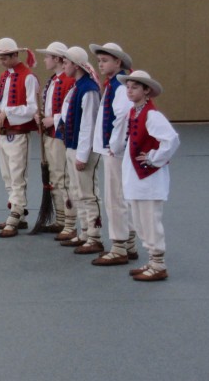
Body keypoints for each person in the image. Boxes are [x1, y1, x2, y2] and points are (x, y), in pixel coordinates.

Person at [109, 71, 180, 282]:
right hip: (136, 177)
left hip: (149, 178)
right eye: (128, 87)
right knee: (140, 222)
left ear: (146, 90)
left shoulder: (152, 115)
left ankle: (159, 264)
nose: (129, 91)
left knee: (150, 220)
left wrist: (153, 158)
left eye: (135, 87)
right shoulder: (135, 112)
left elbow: (171, 140)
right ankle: (152, 259)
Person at [88, 43, 138, 267]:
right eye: (99, 61)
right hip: (114, 148)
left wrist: (114, 145)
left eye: (105, 60)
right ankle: (128, 243)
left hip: (117, 150)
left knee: (115, 198)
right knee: (120, 196)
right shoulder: (113, 85)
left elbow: (123, 118)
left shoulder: (121, 87)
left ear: (118, 62)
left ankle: (119, 246)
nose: (100, 64)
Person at [0, 38, 39, 238]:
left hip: (18, 133)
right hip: (3, 133)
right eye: (0, 58)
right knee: (8, 176)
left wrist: (7, 112)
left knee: (18, 176)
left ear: (15, 55)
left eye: (5, 57)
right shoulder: (4, 76)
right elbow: (0, 98)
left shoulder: (28, 77)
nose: (1, 61)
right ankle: (18, 212)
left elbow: (32, 107)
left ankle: (16, 213)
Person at [55, 46, 103, 255]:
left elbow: (89, 125)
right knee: (76, 192)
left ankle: (94, 235)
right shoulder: (77, 86)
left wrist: (83, 155)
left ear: (75, 64)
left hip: (82, 149)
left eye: (66, 62)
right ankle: (84, 232)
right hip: (72, 145)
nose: (63, 65)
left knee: (88, 193)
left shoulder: (88, 89)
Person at [35, 42, 73, 236]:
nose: (45, 60)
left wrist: (53, 119)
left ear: (57, 59)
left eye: (48, 57)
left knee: (62, 177)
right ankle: (60, 218)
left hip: (60, 135)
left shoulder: (68, 81)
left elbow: (70, 111)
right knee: (54, 176)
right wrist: (41, 116)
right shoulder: (52, 81)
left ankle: (68, 220)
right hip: (50, 134)